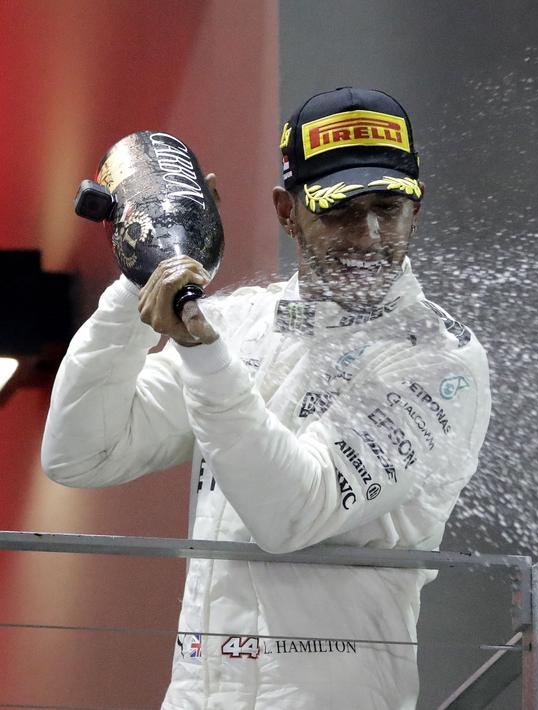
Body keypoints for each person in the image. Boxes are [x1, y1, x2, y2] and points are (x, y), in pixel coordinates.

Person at [41, 87, 491, 709]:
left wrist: (205, 355)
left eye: (389, 207)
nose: (368, 234)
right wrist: (139, 273)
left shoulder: (441, 361)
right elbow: (81, 454)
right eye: (339, 210)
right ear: (287, 210)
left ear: (417, 208)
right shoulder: (241, 325)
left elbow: (292, 515)